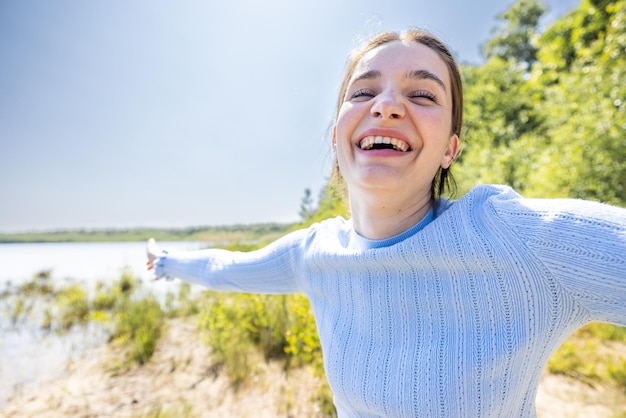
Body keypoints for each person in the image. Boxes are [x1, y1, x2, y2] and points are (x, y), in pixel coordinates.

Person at [147, 29, 626, 417]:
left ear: (449, 149)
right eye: (364, 91)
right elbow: (227, 268)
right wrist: (166, 261)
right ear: (338, 137)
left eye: (422, 94)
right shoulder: (314, 253)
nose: (387, 105)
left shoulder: (514, 237)